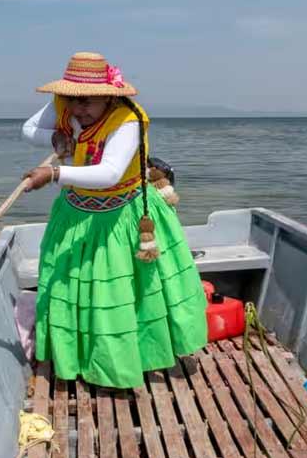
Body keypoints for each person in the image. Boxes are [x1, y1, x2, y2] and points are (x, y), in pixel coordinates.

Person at [21, 51, 208, 389]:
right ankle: (80, 356)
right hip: (77, 210)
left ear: (110, 95)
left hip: (122, 215)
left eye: (89, 102)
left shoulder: (128, 121)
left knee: (125, 291)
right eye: (74, 101)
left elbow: (109, 173)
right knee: (76, 285)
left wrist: (53, 173)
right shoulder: (66, 102)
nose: (79, 108)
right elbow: (29, 129)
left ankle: (128, 360)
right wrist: (59, 135)